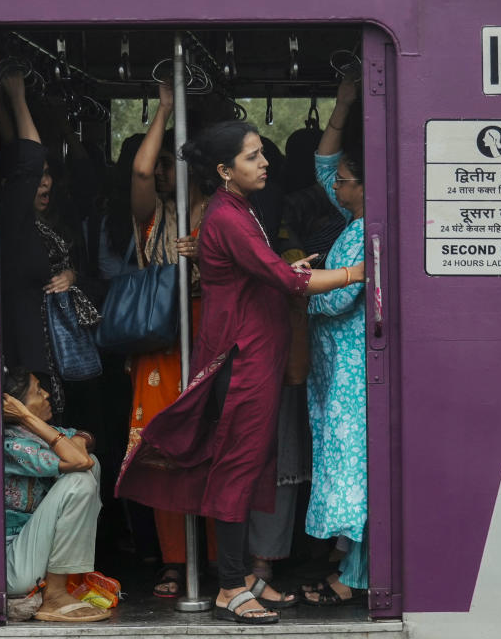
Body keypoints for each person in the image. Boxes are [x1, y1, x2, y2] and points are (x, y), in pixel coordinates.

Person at [116, 120, 365, 624]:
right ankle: (231, 585)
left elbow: (259, 277)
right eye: (253, 157)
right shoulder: (228, 216)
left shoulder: (238, 208)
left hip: (255, 359)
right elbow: (276, 278)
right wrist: (352, 273)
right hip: (242, 362)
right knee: (235, 471)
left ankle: (245, 577)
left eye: (261, 154)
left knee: (249, 469)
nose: (265, 162)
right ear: (226, 171)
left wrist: (290, 272)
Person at [127, 83, 217, 597]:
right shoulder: (154, 215)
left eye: (171, 163)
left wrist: (205, 259)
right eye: (160, 163)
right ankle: (174, 560)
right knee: (160, 451)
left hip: (212, 336)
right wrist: (163, 108)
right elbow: (139, 173)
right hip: (160, 339)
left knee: (211, 449)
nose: (161, 171)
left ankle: (215, 557)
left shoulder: (225, 214)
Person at [0, 70, 100, 421]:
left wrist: (70, 273)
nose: (44, 183)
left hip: (53, 353)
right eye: (37, 176)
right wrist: (17, 97)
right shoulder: (12, 221)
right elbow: (26, 157)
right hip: (25, 355)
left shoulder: (45, 227)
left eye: (48, 175)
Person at [301, 77, 369, 606]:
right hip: (335, 372)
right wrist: (343, 106)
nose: (336, 187)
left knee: (355, 473)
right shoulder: (355, 217)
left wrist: (298, 283)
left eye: (346, 181)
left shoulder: (366, 230)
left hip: (351, 374)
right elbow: (325, 167)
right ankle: (351, 566)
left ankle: (354, 576)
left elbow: (334, 300)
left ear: (365, 187)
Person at [1, 367, 108, 622]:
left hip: (31, 556)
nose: (47, 395)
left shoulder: (33, 434)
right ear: (16, 407)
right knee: (80, 479)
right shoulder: (12, 445)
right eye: (38, 391)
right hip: (11, 568)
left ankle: (61, 584)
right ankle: (55, 596)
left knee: (91, 462)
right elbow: (78, 461)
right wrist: (27, 417)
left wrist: (79, 439)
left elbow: (84, 439)